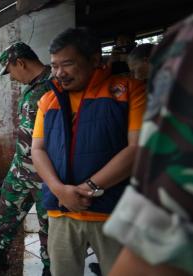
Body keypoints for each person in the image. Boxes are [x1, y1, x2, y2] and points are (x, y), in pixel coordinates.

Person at [30, 28, 146, 276]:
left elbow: (138, 148)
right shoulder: (48, 100)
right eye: (54, 66)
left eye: (68, 64)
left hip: (114, 210)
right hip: (62, 210)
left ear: (94, 60)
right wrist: (60, 190)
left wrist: (89, 188)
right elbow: (37, 150)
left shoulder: (127, 91)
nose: (59, 73)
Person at [104, 14, 193, 276]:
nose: (134, 76)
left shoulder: (183, 52)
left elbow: (154, 248)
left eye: (136, 71)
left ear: (147, 62)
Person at [0, 42, 52, 275]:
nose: (11, 77)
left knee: (49, 226)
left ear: (20, 62)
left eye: (10, 71)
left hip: (47, 173)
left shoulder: (55, 84)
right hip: (21, 168)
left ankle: (50, 269)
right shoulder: (32, 87)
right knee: (5, 213)